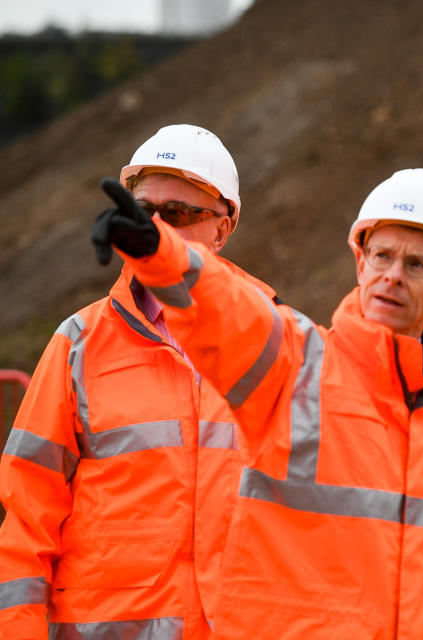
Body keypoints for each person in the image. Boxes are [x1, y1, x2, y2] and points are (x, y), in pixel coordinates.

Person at [91, 167, 423, 638]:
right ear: (360, 263)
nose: (392, 277)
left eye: (416, 265)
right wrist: (162, 255)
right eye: (382, 257)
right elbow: (230, 313)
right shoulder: (299, 366)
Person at [0, 124, 277, 638]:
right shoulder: (78, 345)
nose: (154, 228)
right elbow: (25, 522)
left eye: (179, 213)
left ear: (223, 228)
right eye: (142, 210)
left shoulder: (279, 345)